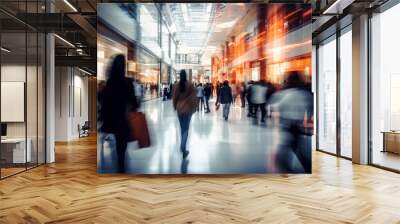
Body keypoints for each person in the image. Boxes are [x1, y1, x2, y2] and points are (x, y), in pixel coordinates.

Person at [99, 54, 138, 173]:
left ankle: (120, 163)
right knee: (122, 144)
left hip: (113, 119)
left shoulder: (110, 82)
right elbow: (134, 103)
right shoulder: (127, 82)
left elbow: (103, 99)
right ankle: (121, 165)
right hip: (124, 119)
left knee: (118, 143)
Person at [269, 71, 313, 173]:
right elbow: (310, 109)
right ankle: (306, 168)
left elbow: (275, 107)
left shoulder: (284, 94)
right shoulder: (305, 94)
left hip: (288, 127)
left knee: (288, 149)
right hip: (298, 127)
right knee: (297, 148)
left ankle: (290, 170)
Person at [172, 70, 198, 158]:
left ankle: (183, 149)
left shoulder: (176, 86)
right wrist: (195, 108)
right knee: (185, 129)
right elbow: (194, 97)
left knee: (182, 129)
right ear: (186, 75)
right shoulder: (190, 85)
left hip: (180, 109)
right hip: (188, 109)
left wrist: (175, 106)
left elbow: (174, 97)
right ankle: (183, 147)